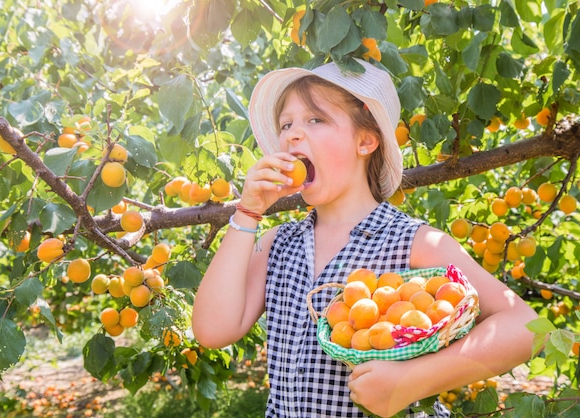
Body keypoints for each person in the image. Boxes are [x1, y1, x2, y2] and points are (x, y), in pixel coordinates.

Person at [192, 58, 538, 417]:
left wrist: (413, 379)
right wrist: (247, 214)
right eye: (286, 124)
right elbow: (212, 330)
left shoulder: (412, 241)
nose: (293, 134)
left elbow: (523, 327)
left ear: (366, 140)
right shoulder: (278, 243)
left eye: (315, 119)